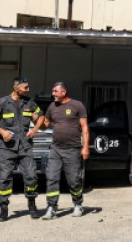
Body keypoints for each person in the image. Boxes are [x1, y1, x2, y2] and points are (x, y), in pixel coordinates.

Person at [0, 77, 45, 221]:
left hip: (25, 146)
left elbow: (41, 117)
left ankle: (32, 205)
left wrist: (35, 129)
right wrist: (2, 132)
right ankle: (3, 209)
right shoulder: (2, 102)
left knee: (31, 176)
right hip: (7, 148)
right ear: (16, 88)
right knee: (4, 178)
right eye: (25, 87)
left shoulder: (29, 102)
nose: (28, 90)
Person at [42, 82, 89, 219]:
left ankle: (78, 204)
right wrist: (36, 118)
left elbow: (85, 128)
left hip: (72, 149)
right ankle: (51, 207)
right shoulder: (52, 106)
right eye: (53, 91)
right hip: (55, 149)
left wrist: (85, 147)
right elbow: (45, 125)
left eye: (55, 91)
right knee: (51, 177)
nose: (53, 94)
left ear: (64, 92)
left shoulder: (77, 106)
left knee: (73, 179)